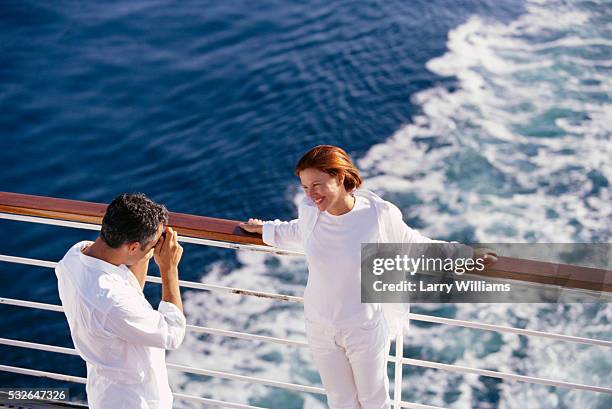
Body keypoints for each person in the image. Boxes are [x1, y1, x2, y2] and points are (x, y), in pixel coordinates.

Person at [240, 145, 496, 409]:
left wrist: (467, 255)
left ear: (339, 178)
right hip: (319, 325)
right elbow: (298, 233)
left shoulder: (377, 215)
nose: (311, 194)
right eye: (305, 187)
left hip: (363, 327)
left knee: (373, 402)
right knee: (340, 402)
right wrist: (266, 229)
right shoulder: (310, 212)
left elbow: (415, 246)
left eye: (317, 185)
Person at [55, 193, 186, 409]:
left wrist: (143, 249)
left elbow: (127, 294)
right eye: (152, 246)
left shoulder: (75, 257)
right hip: (134, 401)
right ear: (133, 247)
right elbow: (172, 334)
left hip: (105, 391)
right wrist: (169, 268)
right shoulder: (111, 300)